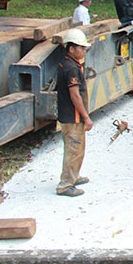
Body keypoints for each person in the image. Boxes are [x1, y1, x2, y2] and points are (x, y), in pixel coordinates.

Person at [56, 28, 93, 197]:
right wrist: (86, 117)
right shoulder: (71, 68)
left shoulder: (67, 63)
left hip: (70, 115)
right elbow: (75, 95)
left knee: (78, 149)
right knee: (73, 149)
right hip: (73, 117)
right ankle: (65, 185)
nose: (84, 51)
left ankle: (74, 176)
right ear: (71, 49)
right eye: (81, 48)